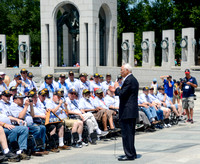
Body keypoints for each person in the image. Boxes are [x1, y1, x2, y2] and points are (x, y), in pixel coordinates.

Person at [114, 63, 139, 161]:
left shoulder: (129, 80)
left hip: (127, 111)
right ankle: (132, 152)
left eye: (122, 70)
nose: (121, 72)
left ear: (127, 71)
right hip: (131, 111)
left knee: (126, 134)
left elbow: (122, 93)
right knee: (130, 133)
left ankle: (129, 154)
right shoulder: (133, 79)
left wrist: (117, 87)